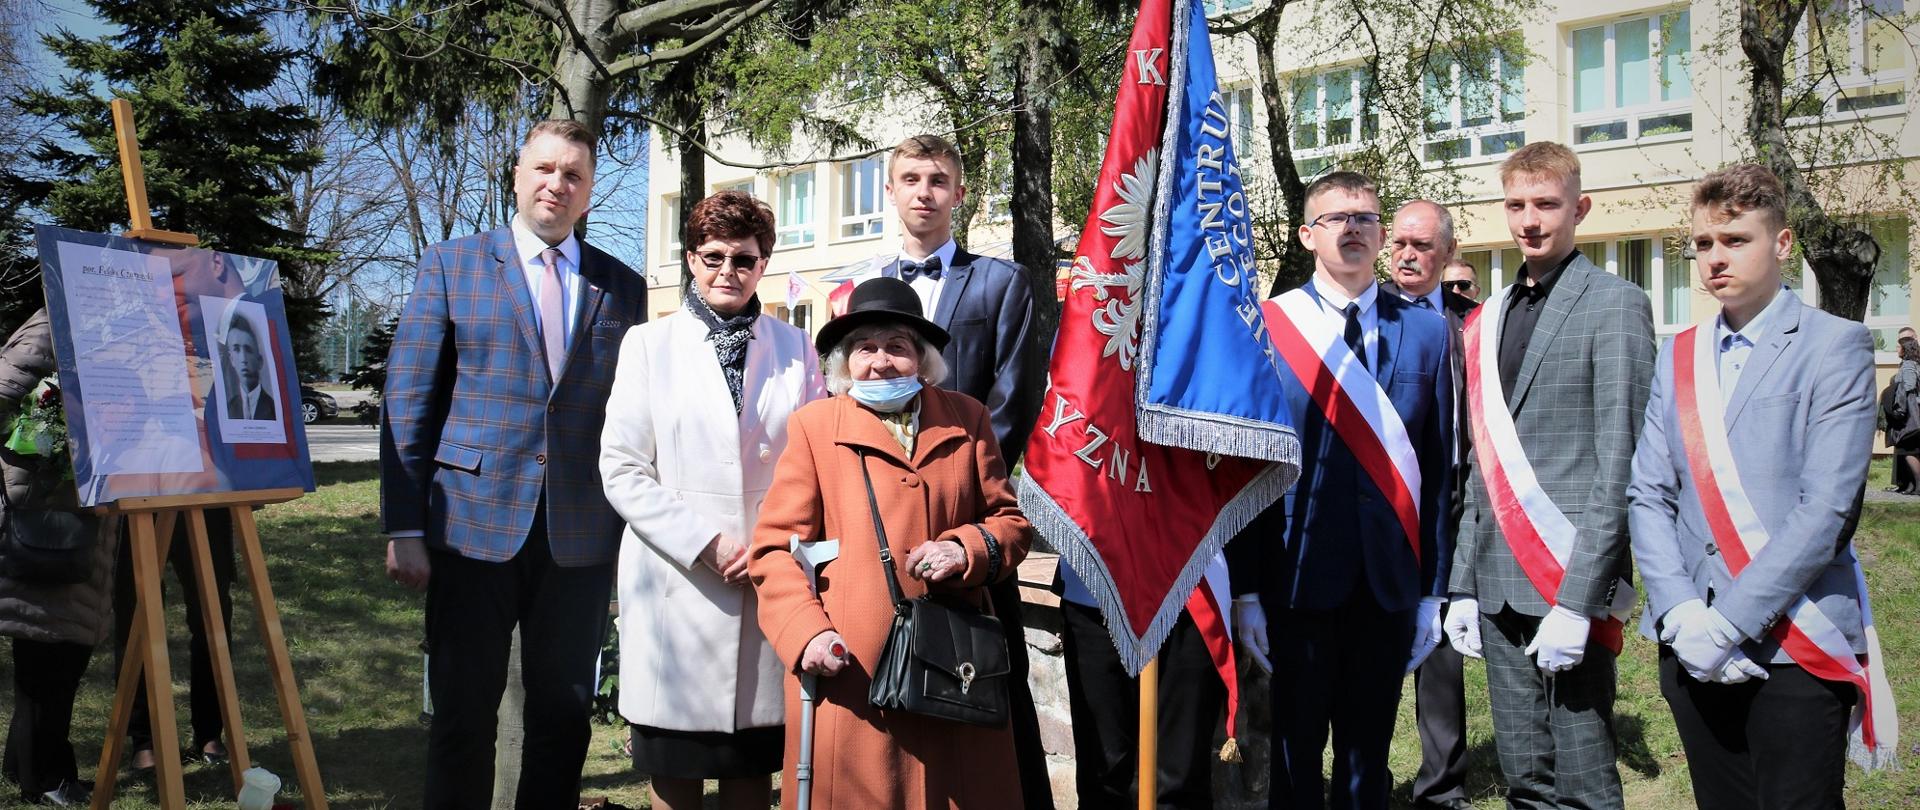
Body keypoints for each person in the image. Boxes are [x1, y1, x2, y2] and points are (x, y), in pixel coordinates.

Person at [380, 118, 649, 808]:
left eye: (573, 175)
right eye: (544, 169)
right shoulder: (453, 265)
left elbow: (632, 415)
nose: (556, 184)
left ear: (589, 193)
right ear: (517, 176)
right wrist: (403, 526)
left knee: (563, 718)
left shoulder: (622, 288)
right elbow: (408, 402)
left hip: (581, 538)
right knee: (463, 713)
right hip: (470, 526)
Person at [1627, 163, 1889, 808]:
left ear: (1782, 244)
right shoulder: (1677, 353)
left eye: (1735, 240)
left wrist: (1729, 624)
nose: (1715, 258)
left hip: (1793, 642)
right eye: (1703, 244)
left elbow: (1827, 510)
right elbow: (1649, 493)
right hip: (1689, 640)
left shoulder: (1836, 346)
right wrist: (1684, 612)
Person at [748, 277, 1033, 809]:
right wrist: (806, 633)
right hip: (852, 671)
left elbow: (1010, 523)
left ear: (922, 359)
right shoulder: (813, 427)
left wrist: (967, 548)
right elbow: (773, 551)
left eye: (897, 347)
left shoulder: (968, 419)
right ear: (843, 363)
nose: (881, 361)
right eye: (865, 348)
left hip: (955, 672)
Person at [1229, 171, 1452, 809]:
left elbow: (1438, 472)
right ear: (1306, 235)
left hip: (1387, 583)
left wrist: (1433, 592)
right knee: (1294, 760)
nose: (1353, 228)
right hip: (1294, 580)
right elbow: (1245, 468)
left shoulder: (1428, 332)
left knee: (1368, 761)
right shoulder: (1269, 329)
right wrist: (1246, 590)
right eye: (1336, 218)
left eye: (1365, 218)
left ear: (1382, 235)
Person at [1444, 141, 1655, 810]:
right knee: (1525, 774)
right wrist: (1462, 586)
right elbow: (1484, 459)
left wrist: (1580, 599)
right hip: (1499, 582)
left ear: (1579, 207)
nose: (1529, 219)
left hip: (1568, 575)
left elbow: (1620, 458)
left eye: (1546, 204)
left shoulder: (1615, 303)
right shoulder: (1490, 316)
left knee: (1586, 777)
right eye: (1515, 205)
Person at [598, 190, 825, 810]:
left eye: (745, 259)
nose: (729, 271)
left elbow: (813, 465)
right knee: (675, 767)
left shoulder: (797, 350)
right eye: (714, 256)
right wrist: (704, 542)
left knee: (751, 763)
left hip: (765, 574)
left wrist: (771, 543)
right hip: (678, 581)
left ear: (764, 264)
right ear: (691, 260)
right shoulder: (648, 345)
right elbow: (621, 468)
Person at [871, 134, 1051, 807]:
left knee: (996, 679)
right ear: (890, 191)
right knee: (892, 678)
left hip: (974, 520)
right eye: (911, 178)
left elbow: (1016, 397)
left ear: (960, 193)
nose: (925, 191)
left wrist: (954, 495)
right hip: (882, 525)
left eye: (939, 179)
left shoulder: (1001, 283)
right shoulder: (866, 287)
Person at [0, 309, 118, 807]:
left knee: (56, 651)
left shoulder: (98, 326)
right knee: (50, 654)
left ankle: (27, 765)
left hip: (75, 516)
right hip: (48, 519)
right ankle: (45, 778)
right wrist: (50, 442)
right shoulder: (53, 325)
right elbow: (8, 396)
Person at [1385, 199, 1477, 810]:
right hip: (1385, 517)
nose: (1408, 256)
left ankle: (1441, 788)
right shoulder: (1367, 316)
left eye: (1422, 246)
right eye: (1400, 245)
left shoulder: (1471, 325)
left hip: (1449, 513)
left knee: (1440, 665)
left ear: (1446, 255)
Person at [111, 510, 234, 772]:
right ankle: (144, 740)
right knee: (137, 619)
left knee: (213, 618)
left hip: (205, 495)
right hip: (136, 490)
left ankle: (209, 732)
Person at [221, 315, 275, 421]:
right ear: (231, 360)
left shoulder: (273, 408)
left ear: (259, 361)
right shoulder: (229, 408)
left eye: (248, 350)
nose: (243, 359)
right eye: (236, 349)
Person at [1889, 335, 1919, 493]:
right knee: (1910, 449)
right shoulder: (1911, 363)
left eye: (1898, 346)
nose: (1896, 349)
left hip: (1909, 414)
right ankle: (1911, 485)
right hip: (1913, 412)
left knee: (1907, 449)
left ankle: (1918, 485)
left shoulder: (1907, 365)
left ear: (1905, 349)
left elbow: (1909, 386)